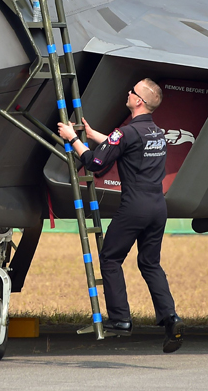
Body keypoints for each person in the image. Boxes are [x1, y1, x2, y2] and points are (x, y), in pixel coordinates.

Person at [57, 78, 184, 353]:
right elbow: (124, 147)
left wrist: (72, 139)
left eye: (132, 91)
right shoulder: (157, 132)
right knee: (150, 263)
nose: (128, 92)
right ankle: (171, 318)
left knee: (110, 258)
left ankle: (120, 319)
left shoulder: (125, 132)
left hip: (134, 208)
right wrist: (93, 135)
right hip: (157, 208)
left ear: (139, 101)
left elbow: (96, 163)